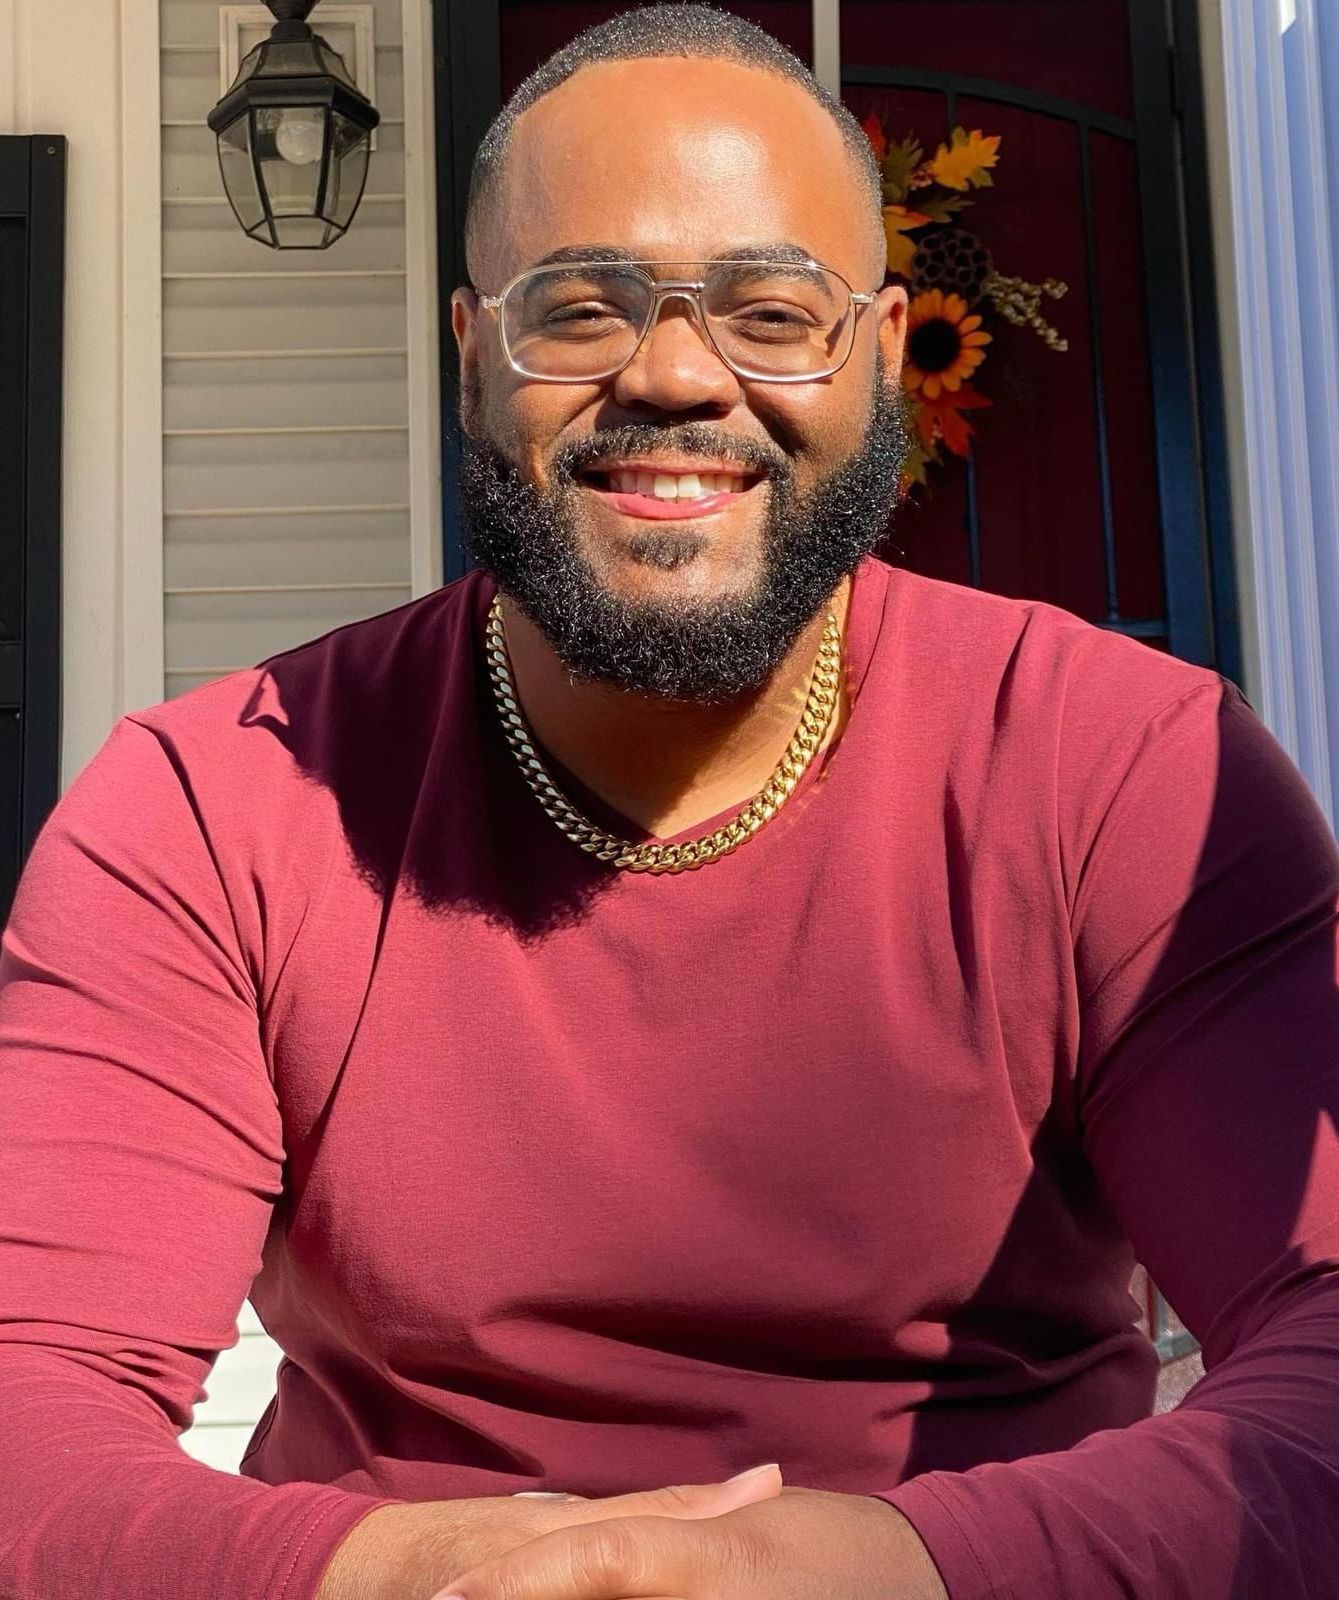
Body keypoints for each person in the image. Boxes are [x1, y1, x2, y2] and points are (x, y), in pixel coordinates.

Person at [2, 5, 1337, 1597]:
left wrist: (891, 1571)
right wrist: (419, 1575)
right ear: (471, 354)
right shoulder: (215, 809)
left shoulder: (1130, 776)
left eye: (772, 311)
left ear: (886, 354)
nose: (679, 375)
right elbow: (29, 1402)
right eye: (581, 309)